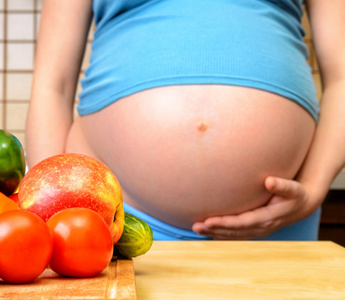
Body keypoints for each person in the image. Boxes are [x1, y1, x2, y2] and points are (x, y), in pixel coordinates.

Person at [25, 0, 345, 241]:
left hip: (280, 216)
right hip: (111, 218)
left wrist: (314, 188)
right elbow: (54, 85)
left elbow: (342, 77)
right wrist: (55, 211)